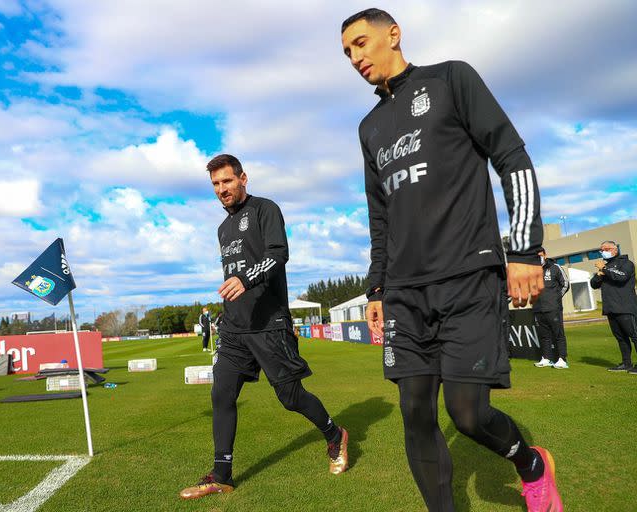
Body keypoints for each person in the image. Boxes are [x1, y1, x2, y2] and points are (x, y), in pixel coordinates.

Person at [341, 9, 562, 511]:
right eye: (347, 52)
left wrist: (524, 249)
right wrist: (377, 289)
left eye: (360, 43)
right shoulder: (369, 127)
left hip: (468, 280)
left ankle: (531, 464)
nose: (354, 58)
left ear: (393, 35)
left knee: (468, 415)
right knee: (416, 412)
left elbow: (512, 156)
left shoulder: (450, 78)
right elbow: (381, 217)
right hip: (405, 295)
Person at [179, 154, 349, 500]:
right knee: (221, 394)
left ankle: (335, 435)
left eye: (227, 181)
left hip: (269, 324)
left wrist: (245, 277)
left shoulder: (265, 209)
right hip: (235, 328)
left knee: (290, 397)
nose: (221, 189)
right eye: (215, 184)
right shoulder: (223, 228)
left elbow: (278, 254)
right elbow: (235, 274)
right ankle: (222, 475)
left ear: (243, 178)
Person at [590, 240, 637, 373]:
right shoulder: (606, 266)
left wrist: (604, 269)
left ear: (614, 250)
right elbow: (593, 284)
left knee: (635, 336)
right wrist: (600, 274)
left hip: (625, 307)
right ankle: (626, 363)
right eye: (601, 250)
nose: (602, 252)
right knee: (621, 338)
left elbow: (621, 277)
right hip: (610, 308)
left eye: (605, 249)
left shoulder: (626, 263)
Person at [533, 249, 570, 369]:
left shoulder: (555, 267)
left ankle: (562, 359)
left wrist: (556, 298)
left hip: (553, 307)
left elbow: (565, 284)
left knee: (558, 334)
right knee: (544, 336)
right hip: (538, 309)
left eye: (540, 255)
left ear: (545, 255)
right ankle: (546, 358)